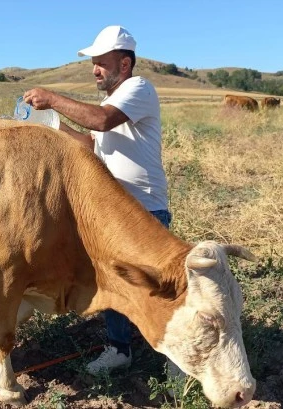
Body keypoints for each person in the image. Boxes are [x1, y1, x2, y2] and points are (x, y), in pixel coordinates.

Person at [22, 25, 171, 375]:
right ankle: (119, 349)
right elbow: (89, 144)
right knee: (114, 282)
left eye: (101, 62)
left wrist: (53, 98)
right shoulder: (109, 102)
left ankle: (175, 358)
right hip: (115, 212)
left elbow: (101, 122)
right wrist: (49, 124)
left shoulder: (138, 89)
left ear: (124, 64)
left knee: (157, 286)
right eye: (94, 63)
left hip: (146, 208)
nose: (95, 70)